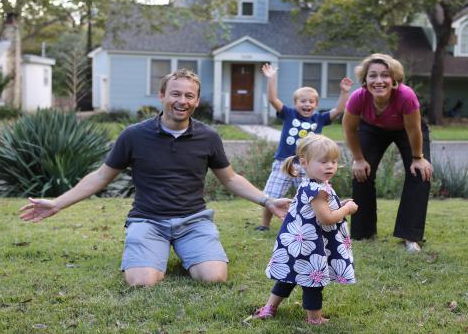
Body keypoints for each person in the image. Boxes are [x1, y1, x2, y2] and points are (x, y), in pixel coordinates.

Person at [18, 69, 290, 287]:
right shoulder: (134, 136)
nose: (182, 101)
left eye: (189, 96)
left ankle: (187, 251)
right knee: (141, 282)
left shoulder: (208, 137)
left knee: (214, 278)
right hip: (148, 220)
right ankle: (155, 253)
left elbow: (230, 179)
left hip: (193, 220)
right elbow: (101, 177)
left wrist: (266, 201)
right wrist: (57, 204)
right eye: (175, 94)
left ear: (196, 100)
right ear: (162, 95)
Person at [251, 134, 358, 325]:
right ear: (304, 162)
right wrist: (347, 209)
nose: (330, 166)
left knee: (288, 276)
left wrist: (340, 204)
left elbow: (320, 211)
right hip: (311, 246)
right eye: (323, 161)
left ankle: (270, 307)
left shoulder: (312, 185)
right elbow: (326, 219)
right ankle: (314, 319)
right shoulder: (318, 190)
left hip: (299, 243)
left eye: (333, 161)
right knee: (312, 281)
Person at [342, 53, 433, 253]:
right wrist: (358, 159)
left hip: (407, 130)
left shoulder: (406, 96)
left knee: (420, 173)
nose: (379, 81)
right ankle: (363, 233)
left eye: (385, 75)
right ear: (365, 80)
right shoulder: (358, 98)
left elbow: (414, 129)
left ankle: (410, 236)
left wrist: (418, 158)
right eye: (372, 75)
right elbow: (349, 129)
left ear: (394, 80)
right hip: (372, 128)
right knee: (361, 173)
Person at [256, 63, 353, 231]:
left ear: (316, 104)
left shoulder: (319, 119)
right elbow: (273, 99)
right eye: (302, 101)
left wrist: (344, 92)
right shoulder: (289, 114)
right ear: (295, 103)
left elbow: (338, 109)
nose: (307, 104)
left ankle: (309, 224)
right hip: (284, 162)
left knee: (311, 195)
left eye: (311, 101)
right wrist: (271, 78)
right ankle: (264, 225)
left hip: (310, 165)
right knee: (272, 195)